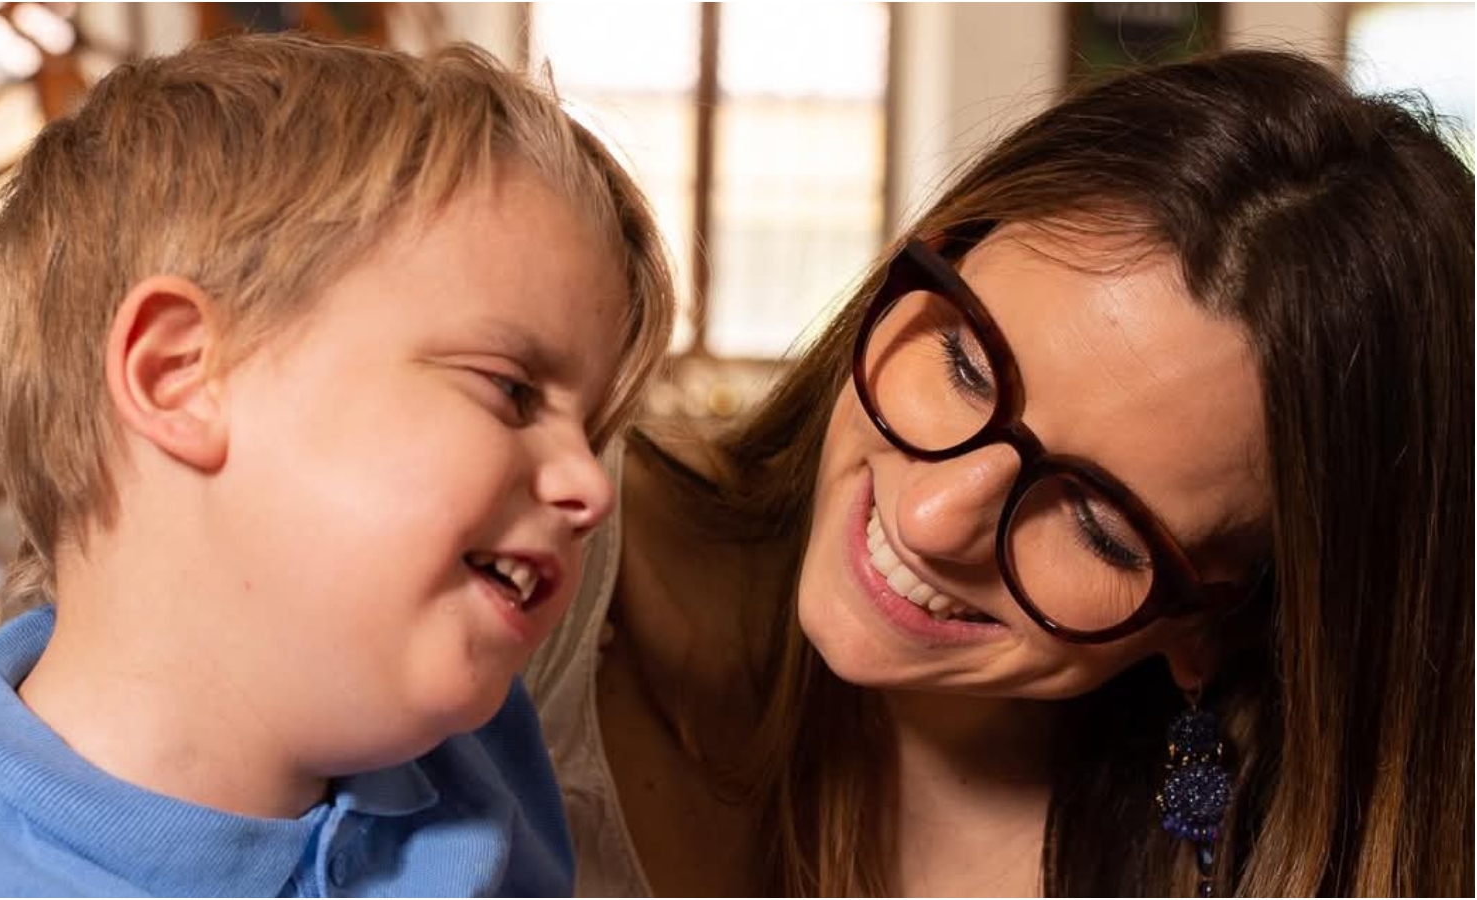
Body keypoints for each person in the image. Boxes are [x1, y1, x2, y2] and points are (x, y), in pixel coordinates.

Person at [525, 49, 1473, 897]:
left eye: (1099, 523)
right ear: (926, 254)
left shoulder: (1256, 858)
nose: (936, 517)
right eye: (964, 369)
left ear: (1216, 626)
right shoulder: (528, 547)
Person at [0, 32, 673, 897]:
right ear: (181, 376)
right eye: (512, 392)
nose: (592, 487)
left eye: (588, 432)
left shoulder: (482, 759)